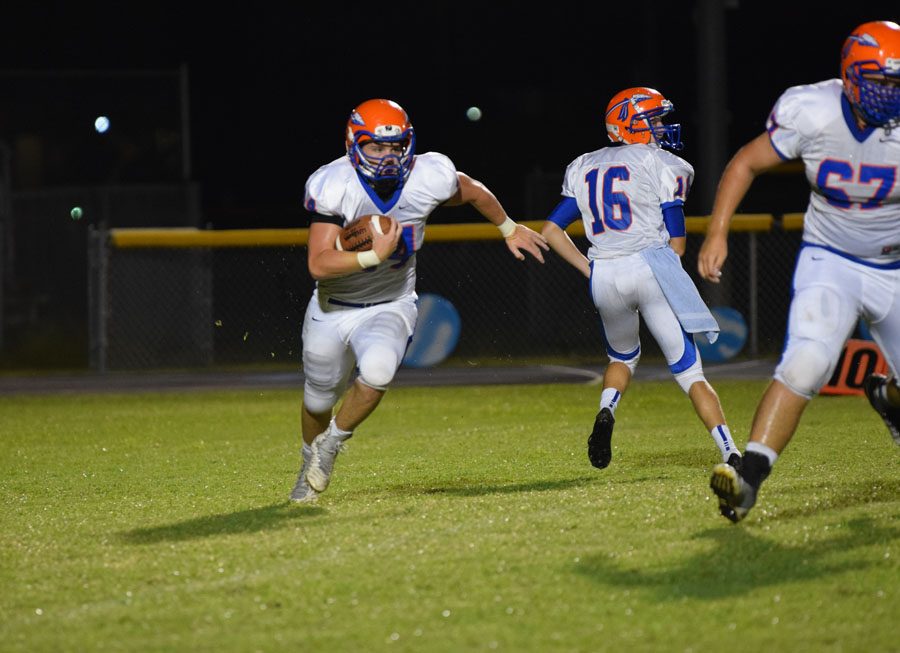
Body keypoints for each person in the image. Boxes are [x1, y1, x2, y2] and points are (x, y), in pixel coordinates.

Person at [290, 98, 549, 503]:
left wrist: (508, 227)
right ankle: (308, 461)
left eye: (395, 147)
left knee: (377, 371)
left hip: (391, 303)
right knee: (317, 398)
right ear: (353, 144)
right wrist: (372, 255)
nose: (388, 157)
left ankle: (332, 445)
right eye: (376, 147)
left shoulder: (428, 175)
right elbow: (319, 264)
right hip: (332, 307)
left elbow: (474, 191)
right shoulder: (334, 184)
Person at [699, 20, 900, 523]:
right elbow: (746, 162)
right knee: (808, 362)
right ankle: (747, 479)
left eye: (896, 83)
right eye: (880, 81)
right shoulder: (813, 110)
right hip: (830, 259)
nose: (888, 94)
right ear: (851, 76)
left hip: (895, 267)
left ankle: (886, 396)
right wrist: (718, 231)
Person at [541, 86, 741, 472]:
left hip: (604, 276)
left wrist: (589, 269)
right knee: (689, 371)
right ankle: (730, 450)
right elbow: (678, 243)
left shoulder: (583, 164)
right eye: (655, 120)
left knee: (621, 357)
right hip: (649, 268)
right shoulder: (662, 163)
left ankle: (606, 410)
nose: (663, 127)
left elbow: (551, 230)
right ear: (630, 125)